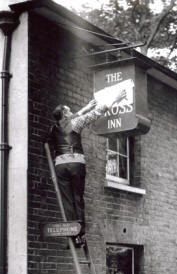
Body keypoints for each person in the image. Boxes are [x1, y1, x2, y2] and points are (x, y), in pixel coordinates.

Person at [46, 89, 126, 247]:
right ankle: (80, 235)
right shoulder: (76, 123)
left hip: (60, 166)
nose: (72, 112)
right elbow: (98, 112)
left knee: (68, 201)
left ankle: (72, 236)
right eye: (69, 111)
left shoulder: (53, 128)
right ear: (65, 114)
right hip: (76, 164)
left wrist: (86, 107)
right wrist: (115, 99)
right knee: (78, 198)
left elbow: (73, 117)